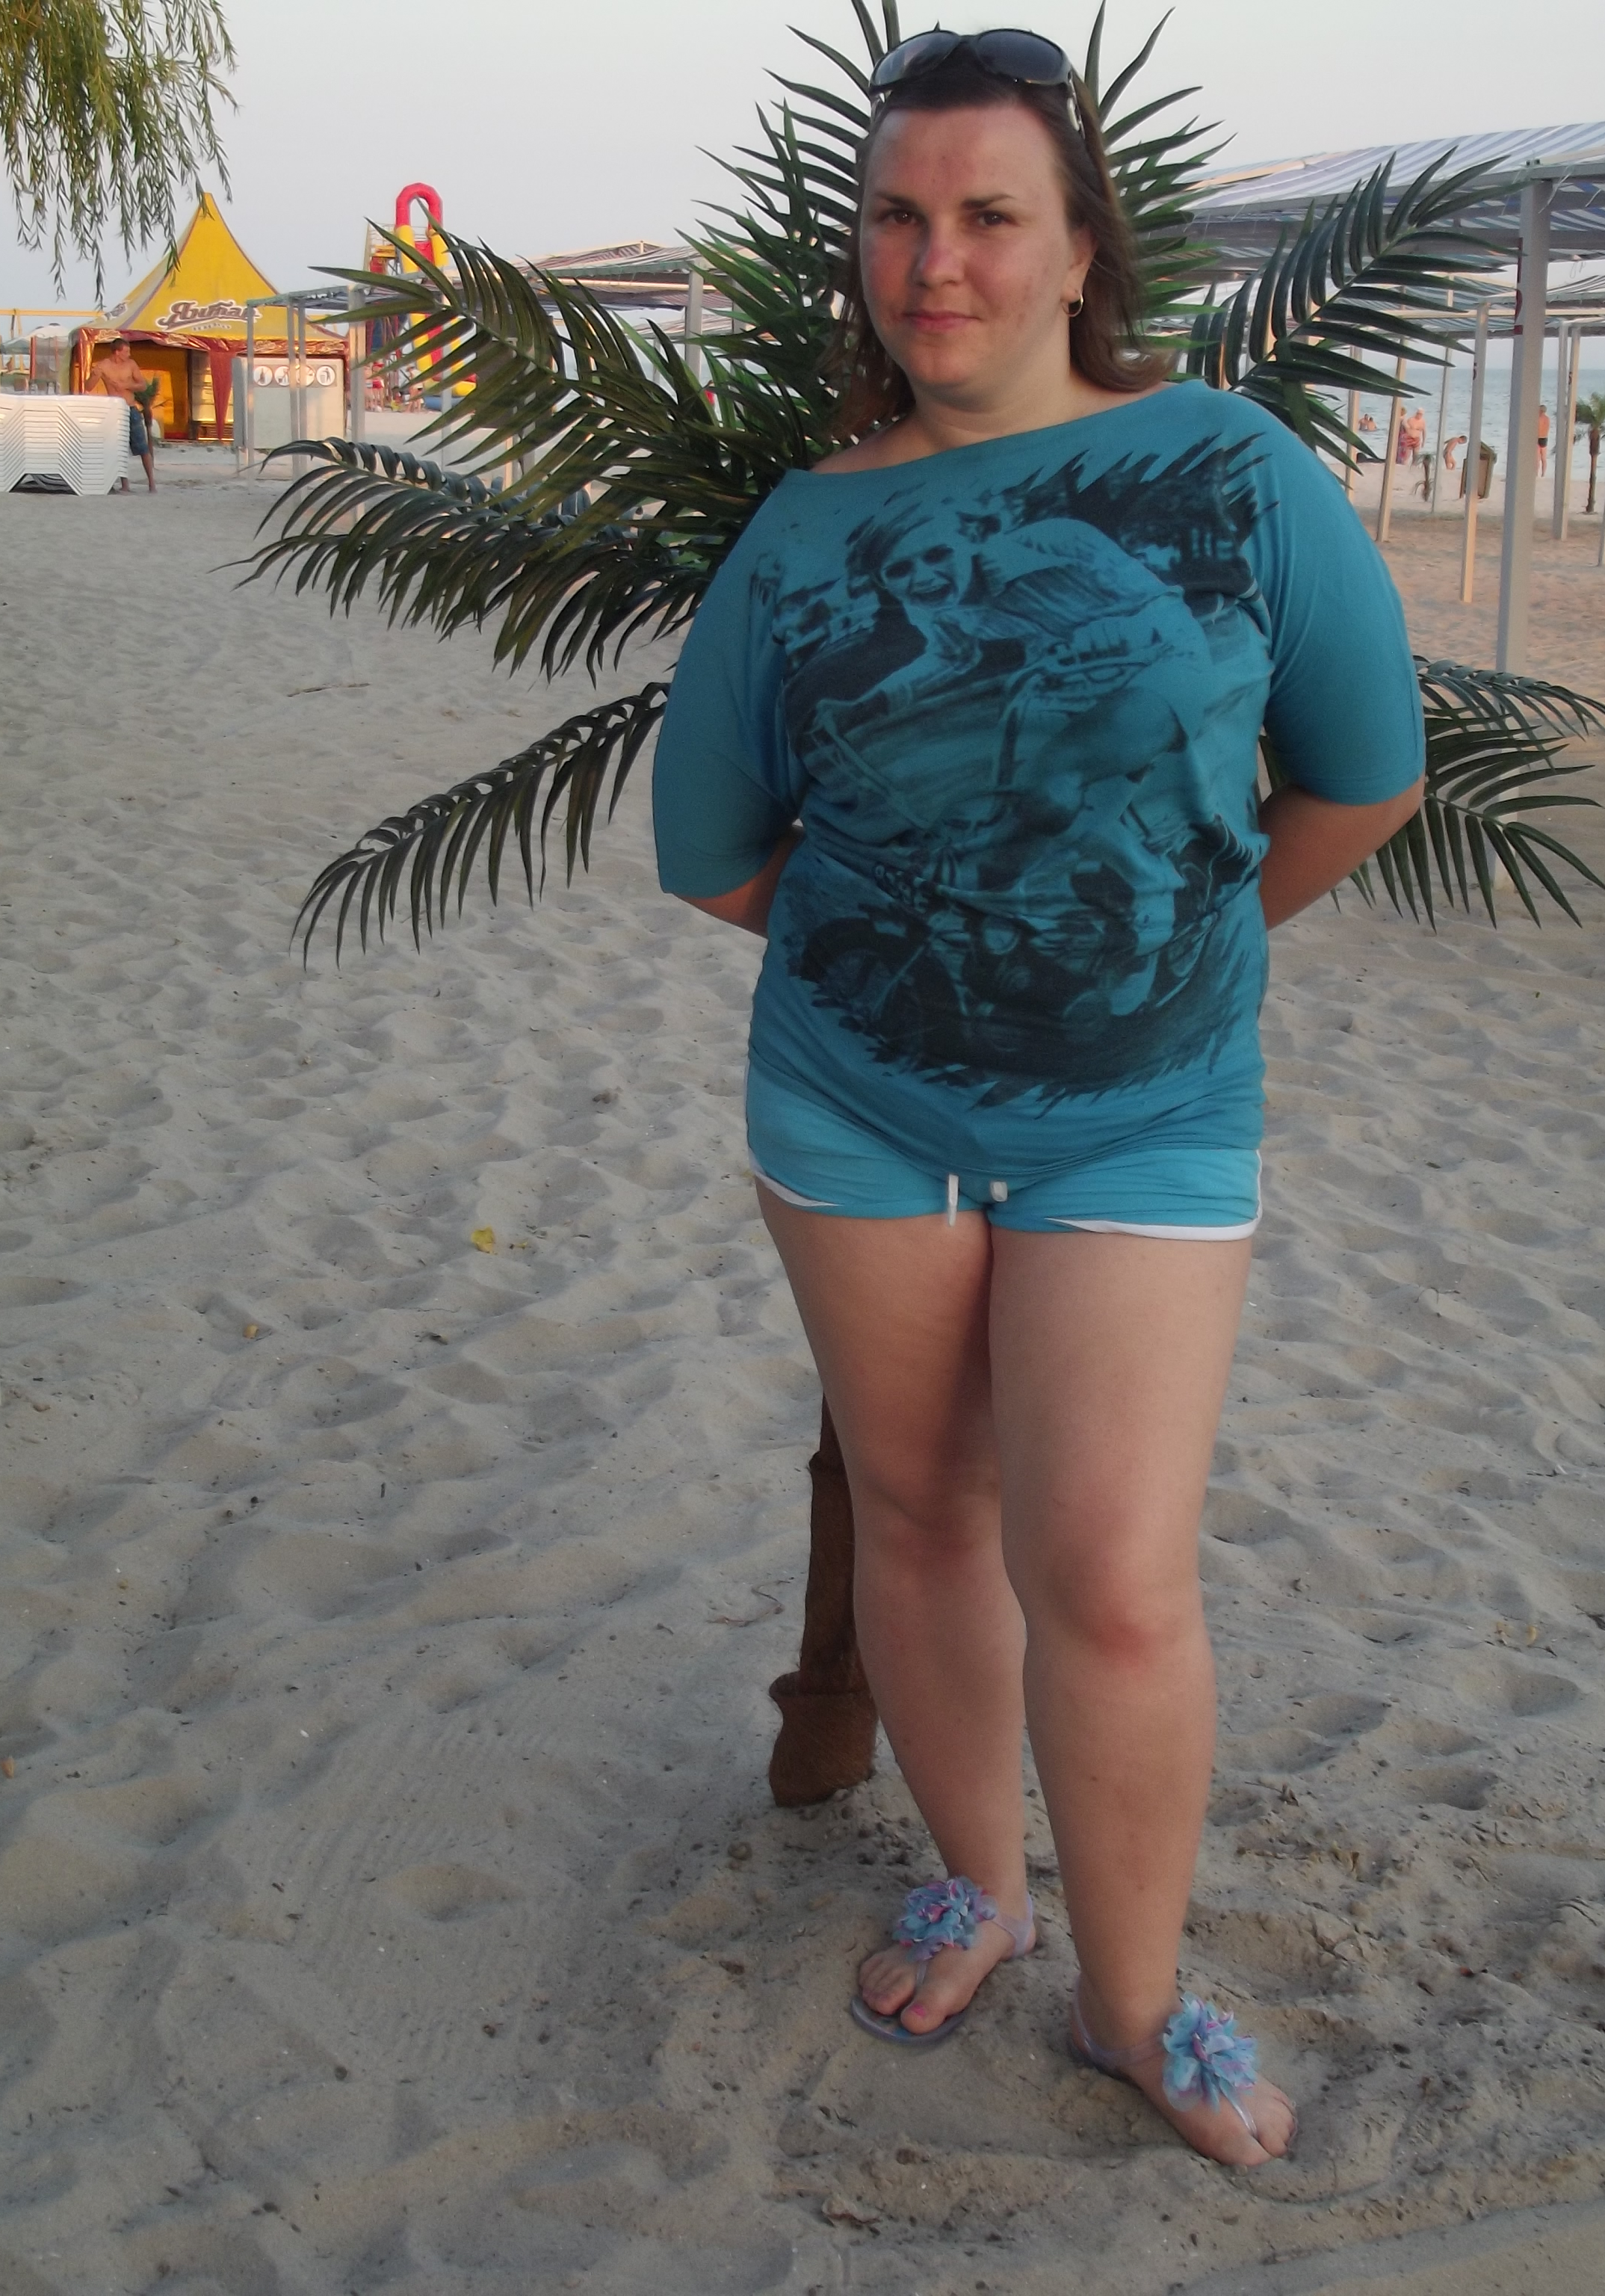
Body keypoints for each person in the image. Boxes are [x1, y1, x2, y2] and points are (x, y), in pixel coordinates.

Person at [652, 27, 1423, 2170]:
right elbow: (710, 850)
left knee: (1113, 1575)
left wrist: (1174, 949)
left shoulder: (1235, 471)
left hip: (1147, 1118)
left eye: (990, 214)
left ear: (1082, 247)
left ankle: (1136, 1998)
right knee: (921, 1515)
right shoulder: (808, 530)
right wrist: (930, 956)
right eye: (897, 218)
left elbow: (1364, 775)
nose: (939, 261)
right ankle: (981, 1884)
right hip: (856, 1114)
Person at [93, 339, 158, 493]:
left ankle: (152, 484)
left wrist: (127, 385)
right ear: (117, 352)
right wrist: (95, 375)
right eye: (126, 351)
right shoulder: (104, 366)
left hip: (130, 408)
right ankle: (125, 485)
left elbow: (143, 385)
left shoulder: (131, 365)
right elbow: (89, 385)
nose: (129, 354)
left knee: (142, 447)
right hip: (115, 411)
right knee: (118, 448)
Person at [1537, 403, 1550, 476]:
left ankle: (1536, 473)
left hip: (1539, 437)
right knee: (1544, 458)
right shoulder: (1547, 419)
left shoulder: (1539, 418)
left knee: (1537, 458)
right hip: (1544, 438)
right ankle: (1543, 474)